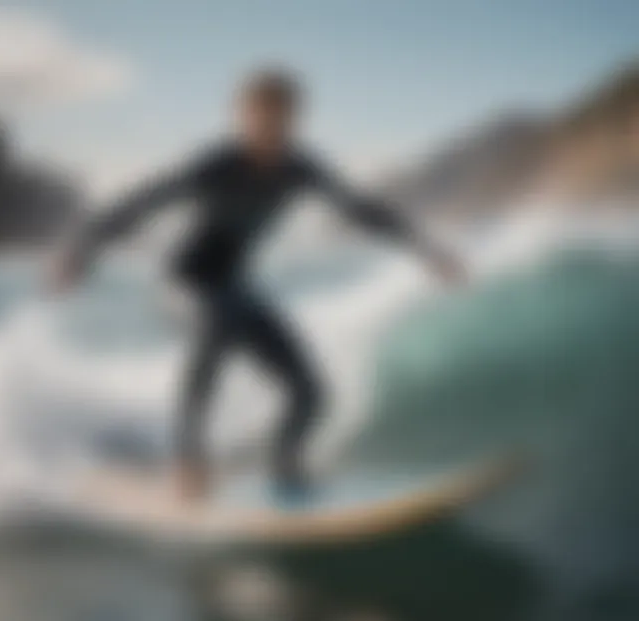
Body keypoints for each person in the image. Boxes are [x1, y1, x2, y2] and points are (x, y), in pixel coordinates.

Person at [49, 68, 465, 503]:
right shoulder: (215, 165)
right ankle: (188, 459)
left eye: (280, 122)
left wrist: (426, 249)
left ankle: (285, 466)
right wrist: (79, 249)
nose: (270, 132)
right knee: (216, 320)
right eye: (260, 120)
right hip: (181, 284)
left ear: (294, 121)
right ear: (242, 118)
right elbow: (142, 203)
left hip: (232, 287)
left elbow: (362, 209)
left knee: (309, 392)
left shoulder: (301, 168)